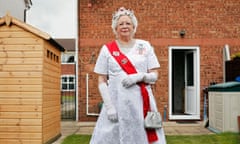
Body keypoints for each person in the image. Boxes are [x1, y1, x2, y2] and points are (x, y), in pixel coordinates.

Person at [90, 7, 167, 144]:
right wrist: (109, 107)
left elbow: (154, 75)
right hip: (116, 103)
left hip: (141, 103)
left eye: (128, 23)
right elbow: (101, 80)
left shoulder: (145, 46)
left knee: (140, 136)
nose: (124, 26)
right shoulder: (107, 49)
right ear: (115, 28)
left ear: (134, 26)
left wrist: (139, 77)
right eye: (121, 24)